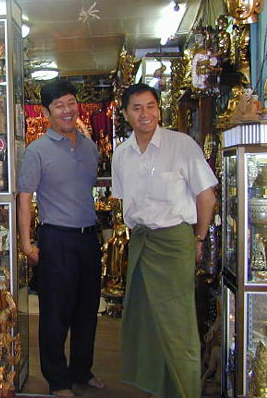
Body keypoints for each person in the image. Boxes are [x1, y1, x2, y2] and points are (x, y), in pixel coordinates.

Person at [112, 83, 217, 398]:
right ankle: (157, 386)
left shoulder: (181, 145)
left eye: (151, 106)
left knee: (178, 322)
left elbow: (207, 196)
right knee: (146, 319)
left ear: (159, 109)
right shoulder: (121, 154)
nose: (145, 114)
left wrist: (198, 237)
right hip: (142, 241)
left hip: (174, 242)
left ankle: (184, 390)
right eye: (137, 108)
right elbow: (123, 201)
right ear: (126, 114)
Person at [17, 79, 103, 397]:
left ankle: (82, 369)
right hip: (57, 239)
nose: (67, 110)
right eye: (58, 105)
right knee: (56, 312)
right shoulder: (36, 151)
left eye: (70, 103)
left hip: (88, 238)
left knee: (87, 309)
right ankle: (58, 380)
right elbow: (24, 197)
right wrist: (27, 244)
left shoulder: (90, 146)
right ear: (46, 111)